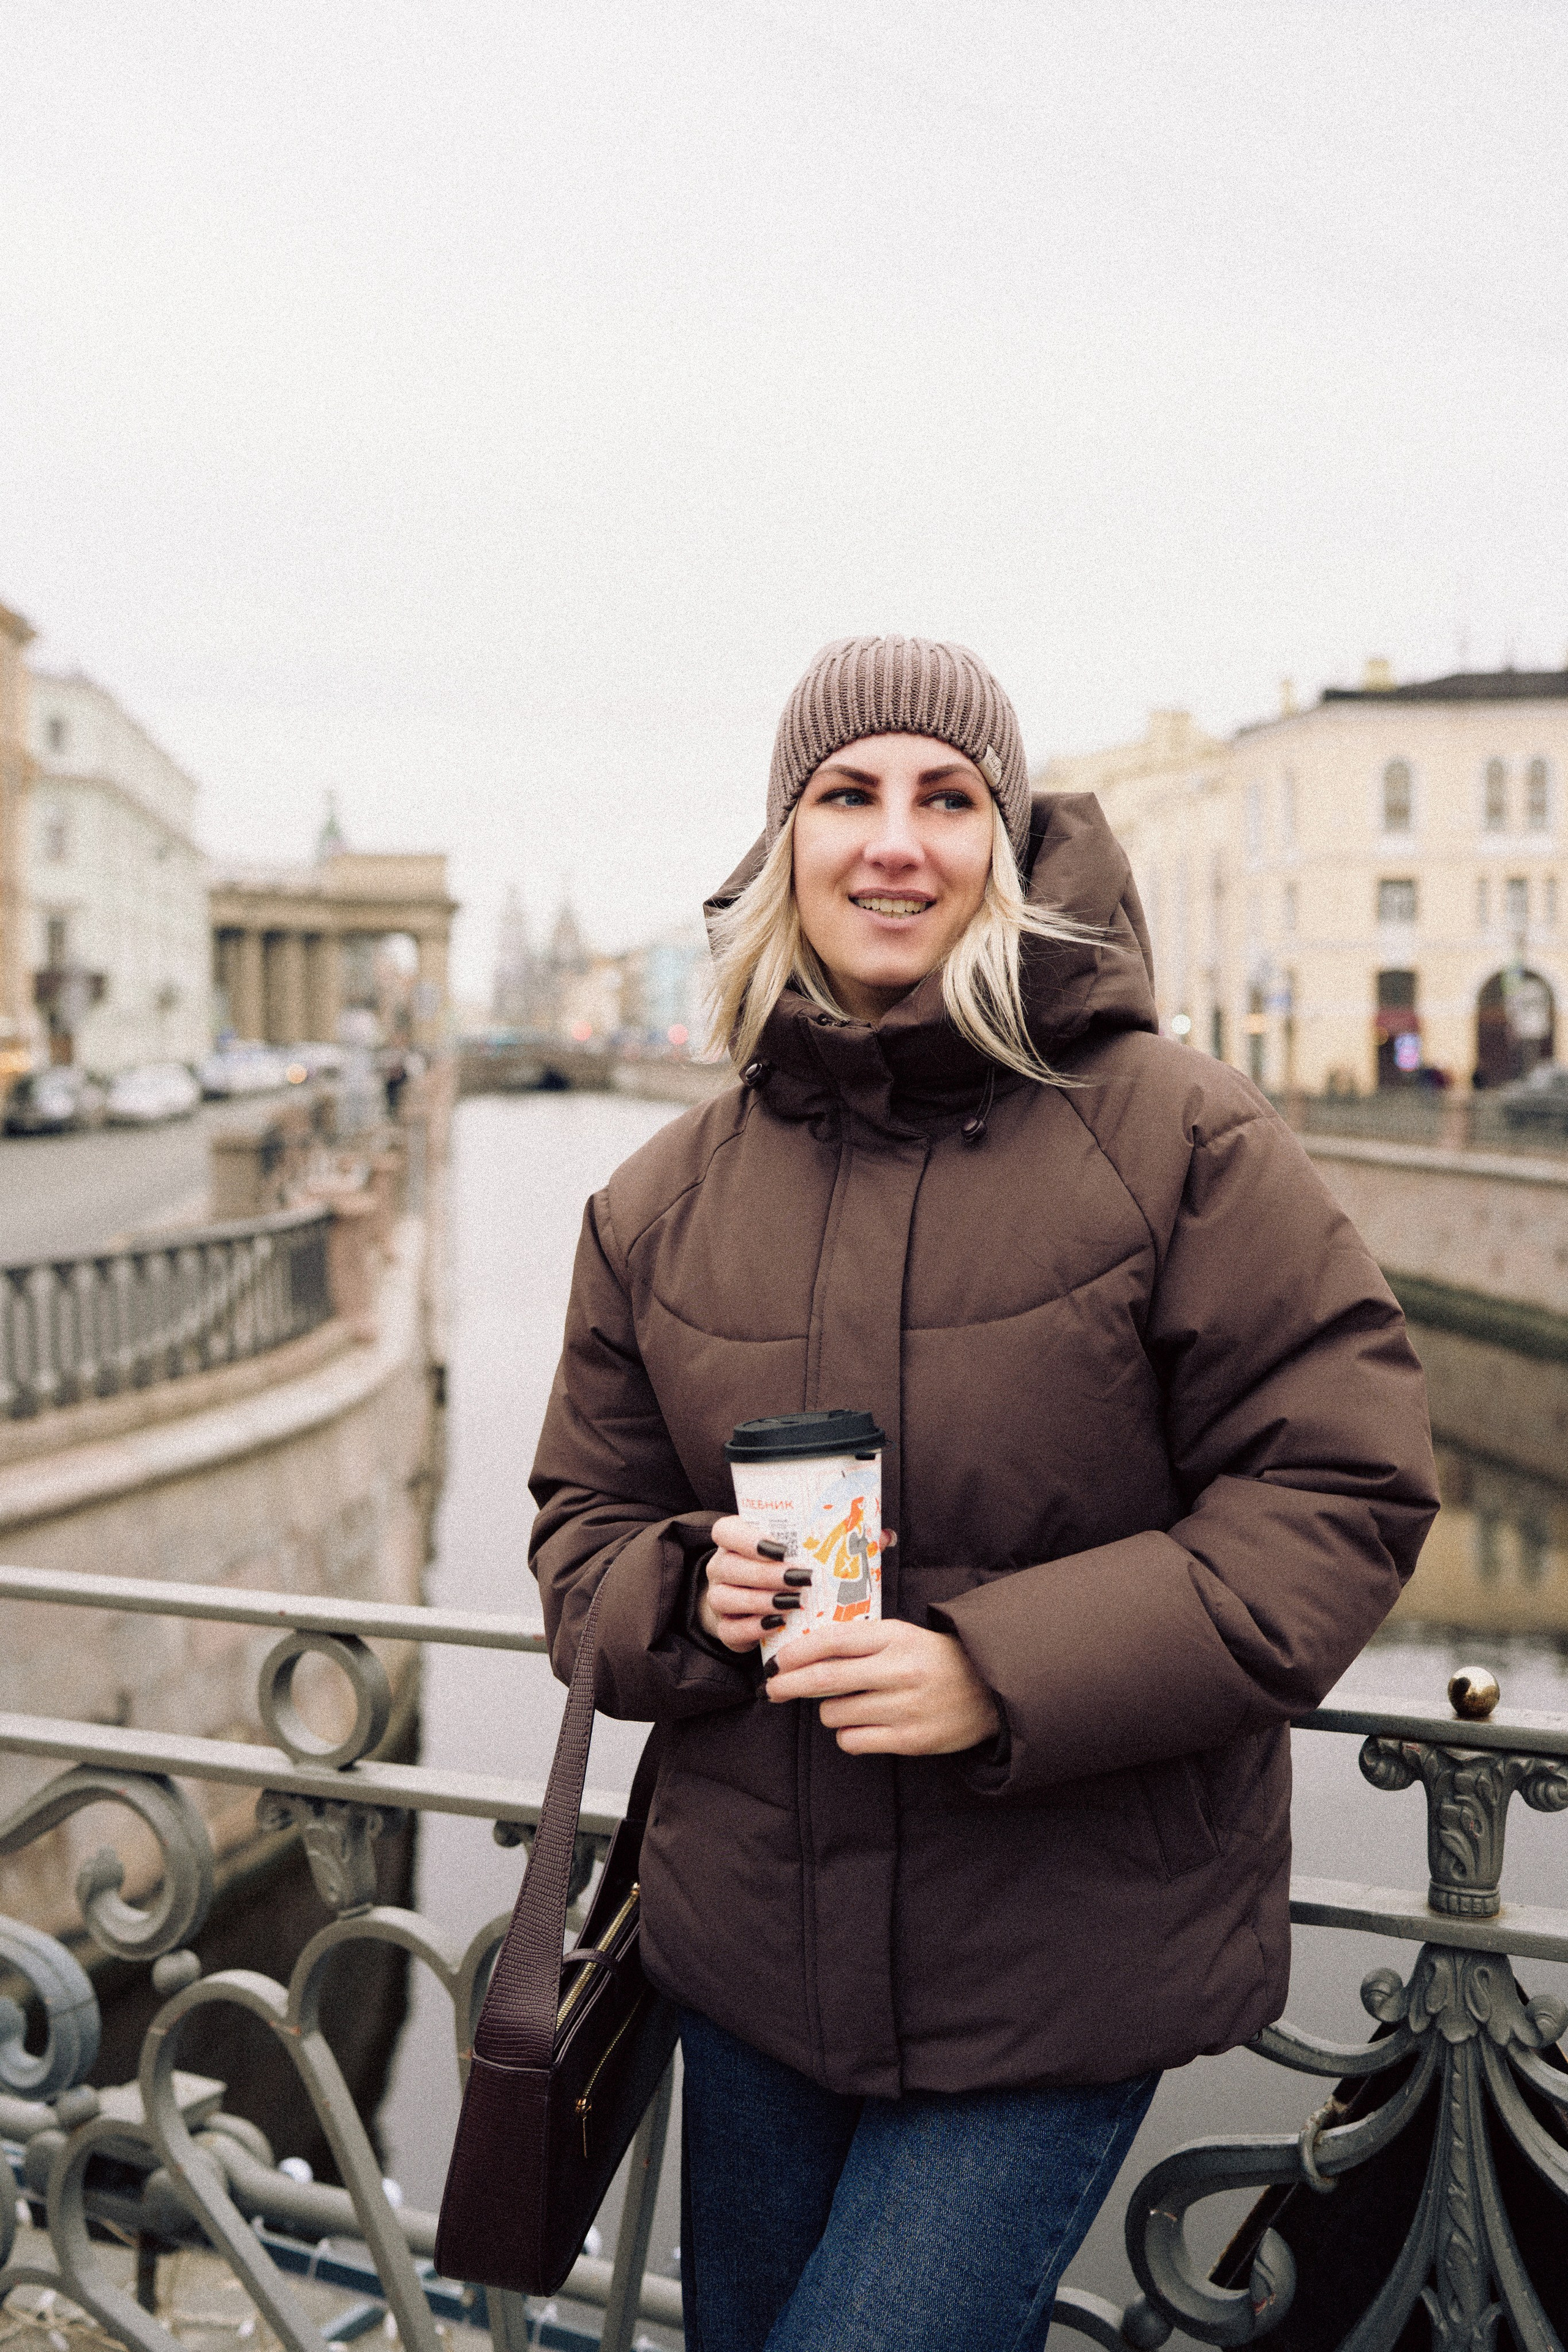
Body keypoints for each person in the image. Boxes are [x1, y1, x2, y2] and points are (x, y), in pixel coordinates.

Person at [529, 635, 1438, 2352]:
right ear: (781, 842)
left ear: (1007, 848)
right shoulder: (659, 1199)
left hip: (1060, 1959)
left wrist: (992, 1672)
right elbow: (581, 1531)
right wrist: (680, 1591)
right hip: (746, 1974)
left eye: (949, 799)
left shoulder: (1178, 1134)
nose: (897, 840)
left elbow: (1341, 1486)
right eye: (847, 795)